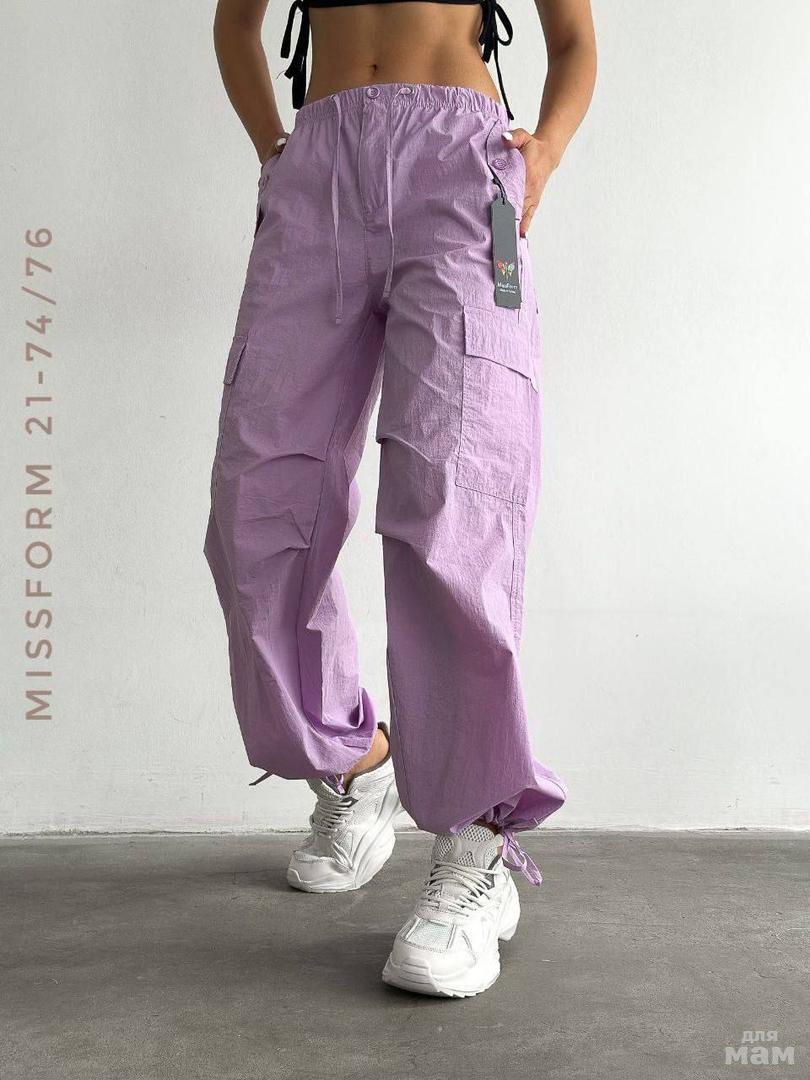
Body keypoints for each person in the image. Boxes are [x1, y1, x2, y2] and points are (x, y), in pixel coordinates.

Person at [205, 0, 596, 997]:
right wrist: (278, 155)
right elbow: (237, 25)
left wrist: (543, 155)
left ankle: (475, 846)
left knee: (453, 505)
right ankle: (355, 760)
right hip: (317, 173)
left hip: (461, 174)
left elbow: (573, 42)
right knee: (257, 506)